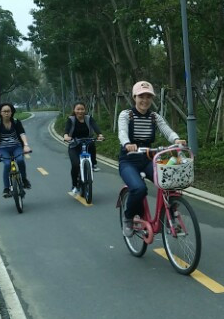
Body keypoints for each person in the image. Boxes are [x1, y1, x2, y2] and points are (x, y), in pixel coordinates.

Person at [117, 80, 186, 235]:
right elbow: (122, 131)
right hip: (129, 161)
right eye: (141, 96)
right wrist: (127, 143)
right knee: (139, 189)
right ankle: (128, 218)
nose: (145, 100)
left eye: (148, 96)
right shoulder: (126, 115)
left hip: (149, 159)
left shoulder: (154, 117)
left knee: (169, 182)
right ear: (134, 97)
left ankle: (171, 218)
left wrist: (176, 140)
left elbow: (167, 130)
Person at [0, 102, 32, 197]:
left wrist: (25, 145)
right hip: (3, 149)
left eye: (8, 111)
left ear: (12, 112)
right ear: (0, 113)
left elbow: (22, 134)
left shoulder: (16, 122)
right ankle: (6, 188)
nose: (6, 113)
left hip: (16, 147)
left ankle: (24, 179)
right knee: (7, 164)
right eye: (4, 111)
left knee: (20, 160)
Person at [63, 101, 105, 195]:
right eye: (78, 109)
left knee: (92, 144)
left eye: (82, 109)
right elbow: (67, 129)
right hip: (74, 144)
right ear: (74, 110)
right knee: (75, 165)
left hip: (87, 141)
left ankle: (93, 164)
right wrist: (66, 136)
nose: (80, 111)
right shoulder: (71, 119)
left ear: (85, 110)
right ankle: (75, 185)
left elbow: (95, 127)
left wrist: (100, 135)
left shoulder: (89, 118)